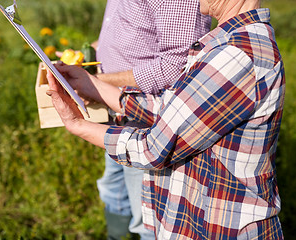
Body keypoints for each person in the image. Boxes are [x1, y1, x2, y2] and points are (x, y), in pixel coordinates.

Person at [47, 0, 285, 238]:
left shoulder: (235, 55)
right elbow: (173, 108)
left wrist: (78, 125)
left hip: (223, 227)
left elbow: (153, 148)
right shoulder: (228, 43)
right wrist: (96, 87)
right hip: (206, 220)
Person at [73, 1, 211, 239]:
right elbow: (132, 30)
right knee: (113, 187)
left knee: (148, 217)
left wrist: (97, 83)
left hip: (150, 121)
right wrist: (88, 53)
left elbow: (177, 67)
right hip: (118, 112)